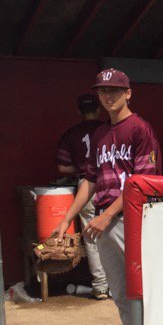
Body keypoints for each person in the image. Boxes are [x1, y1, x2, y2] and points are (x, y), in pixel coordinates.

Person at [52, 69, 162, 325]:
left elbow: (143, 182)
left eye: (115, 90)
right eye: (103, 91)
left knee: (151, 293)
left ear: (129, 93)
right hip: (104, 220)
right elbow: (89, 179)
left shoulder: (140, 129)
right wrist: (68, 218)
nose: (108, 96)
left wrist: (107, 215)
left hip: (133, 219)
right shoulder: (100, 134)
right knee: (122, 298)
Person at [55, 93, 109, 300]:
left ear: (79, 112)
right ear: (99, 109)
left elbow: (62, 166)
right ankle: (119, 285)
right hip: (110, 183)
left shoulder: (71, 133)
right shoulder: (108, 129)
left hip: (86, 184)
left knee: (92, 239)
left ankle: (101, 286)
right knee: (117, 233)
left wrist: (80, 168)